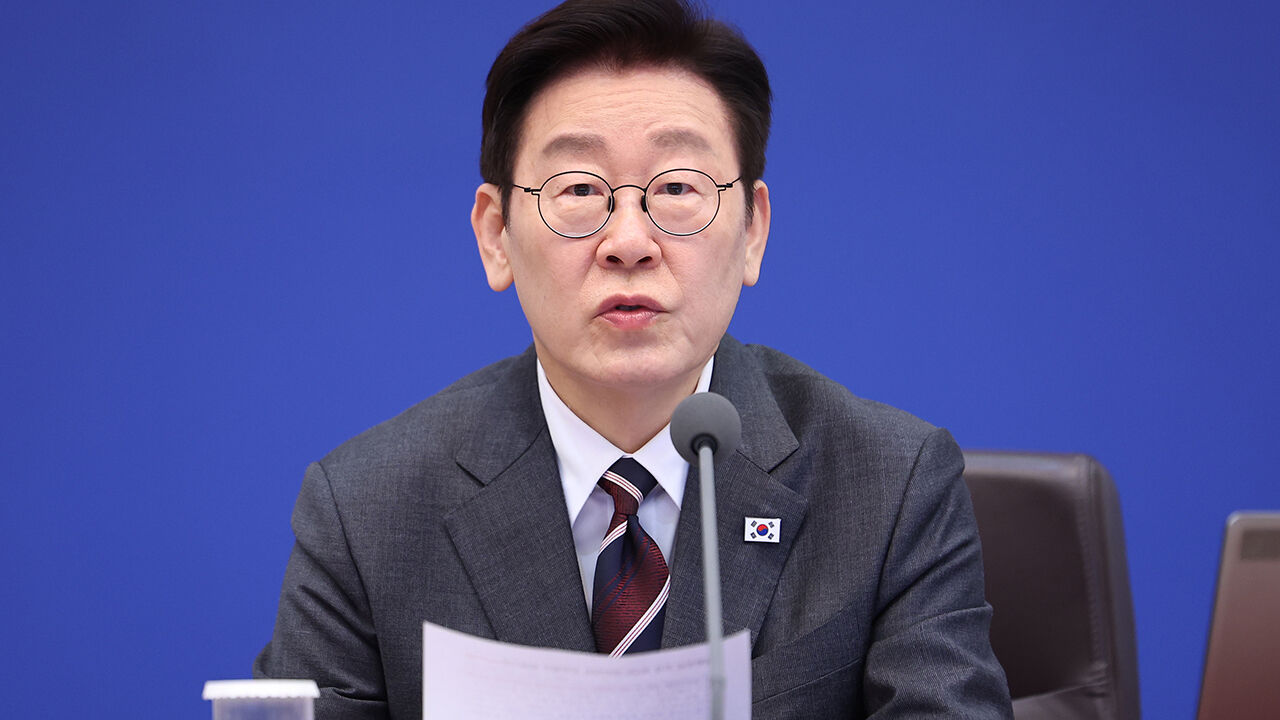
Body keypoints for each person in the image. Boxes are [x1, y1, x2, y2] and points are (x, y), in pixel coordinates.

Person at [254, 1, 1013, 718]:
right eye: (579, 189)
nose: (628, 241)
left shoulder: (889, 485)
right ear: (495, 235)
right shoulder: (367, 511)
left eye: (677, 187)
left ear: (753, 231)